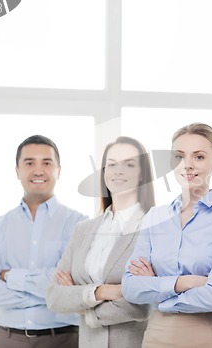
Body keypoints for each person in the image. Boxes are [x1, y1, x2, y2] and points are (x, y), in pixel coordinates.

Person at [122, 123, 212, 348]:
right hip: (156, 336)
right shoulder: (155, 217)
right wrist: (184, 282)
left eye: (199, 157)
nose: (188, 165)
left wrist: (157, 289)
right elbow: (130, 287)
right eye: (179, 156)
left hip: (208, 336)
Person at [0, 135, 88, 348]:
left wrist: (11, 277)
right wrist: (55, 296)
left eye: (46, 163)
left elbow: (79, 288)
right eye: (29, 163)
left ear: (59, 170)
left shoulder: (80, 225)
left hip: (65, 340)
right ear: (17, 171)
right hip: (7, 340)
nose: (38, 170)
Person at [47, 136, 155, 347]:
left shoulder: (153, 228)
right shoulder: (83, 230)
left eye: (129, 164)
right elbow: (54, 295)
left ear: (143, 174)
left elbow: (142, 304)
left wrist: (82, 305)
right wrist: (101, 292)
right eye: (111, 164)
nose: (119, 171)